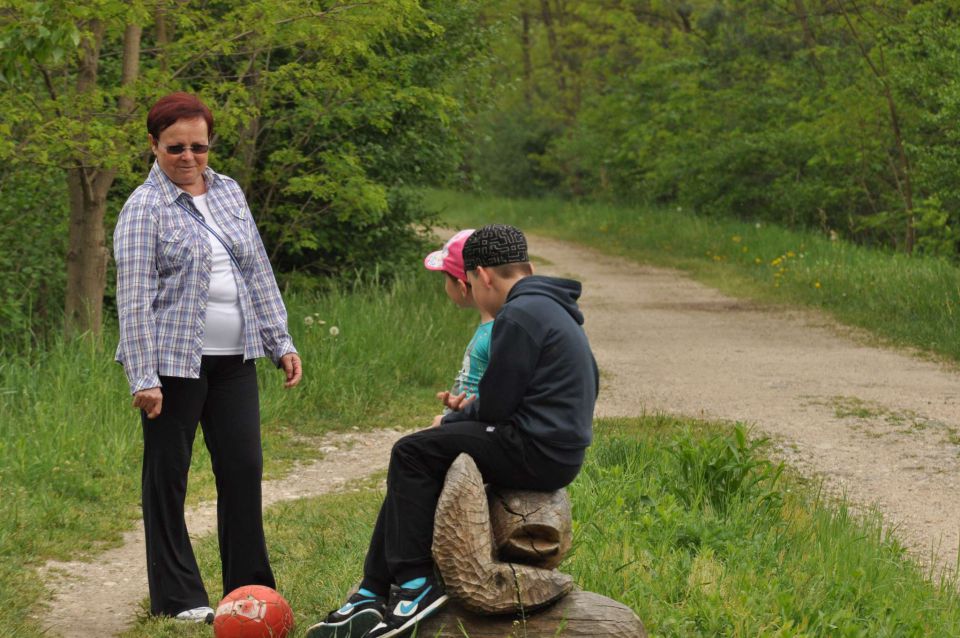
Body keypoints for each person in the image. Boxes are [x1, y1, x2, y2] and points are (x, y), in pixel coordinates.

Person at [306, 224, 598, 638]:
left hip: (536, 450)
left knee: (411, 451)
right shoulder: (547, 308)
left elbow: (495, 405)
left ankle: (414, 585)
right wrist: (465, 414)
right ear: (528, 267)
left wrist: (452, 420)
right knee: (420, 453)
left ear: (482, 275)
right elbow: (509, 397)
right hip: (554, 447)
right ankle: (372, 590)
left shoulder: (519, 314)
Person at [114, 92, 302, 623]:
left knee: (243, 470)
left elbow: (256, 269)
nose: (189, 157)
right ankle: (179, 599)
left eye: (199, 146)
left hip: (235, 361)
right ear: (153, 145)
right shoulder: (142, 208)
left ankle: (250, 596)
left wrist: (279, 340)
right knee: (168, 479)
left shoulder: (229, 192)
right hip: (173, 367)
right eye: (176, 147)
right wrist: (142, 375)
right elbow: (132, 299)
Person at [422, 229, 494, 426]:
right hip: (468, 415)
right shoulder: (491, 325)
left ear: (462, 287)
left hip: (476, 423)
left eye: (446, 278)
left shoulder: (494, 332)